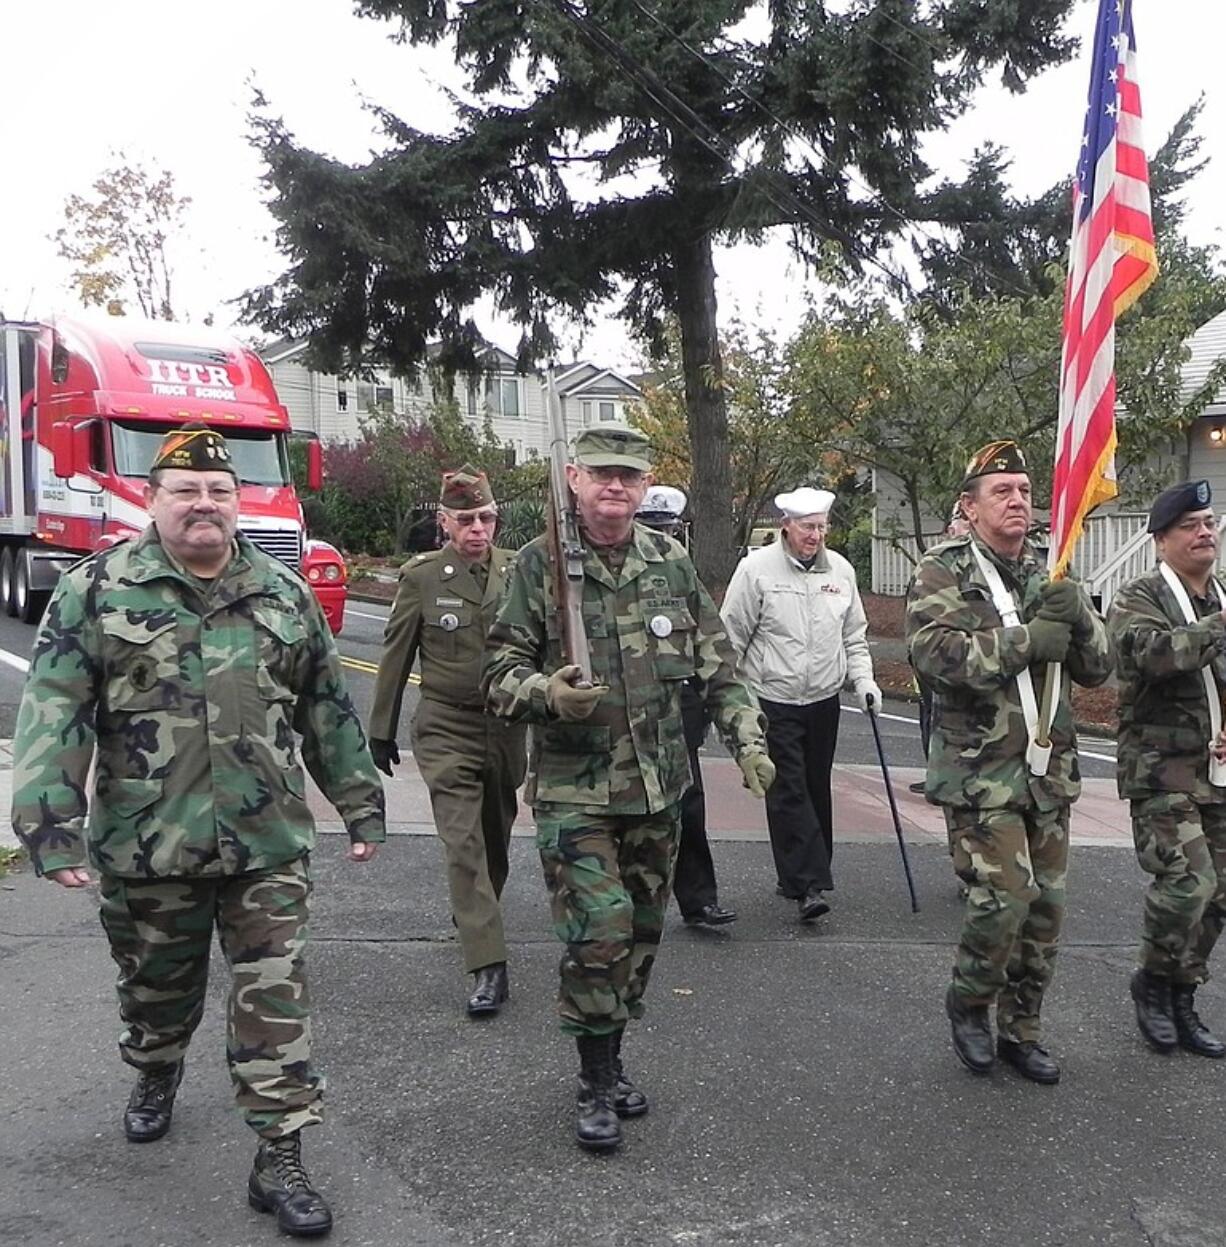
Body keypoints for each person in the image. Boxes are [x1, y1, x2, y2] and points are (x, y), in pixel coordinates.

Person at [10, 423, 384, 1239]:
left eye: (219, 491)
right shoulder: (97, 589)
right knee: (157, 988)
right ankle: (155, 1064)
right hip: (150, 844)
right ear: (153, 500)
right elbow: (55, 710)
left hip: (266, 843)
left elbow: (326, 708)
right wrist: (48, 822)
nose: (204, 504)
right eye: (186, 491)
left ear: (236, 501)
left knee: (274, 994)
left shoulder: (282, 594)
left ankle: (279, 1152)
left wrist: (360, 801)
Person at [482, 425, 772, 1153]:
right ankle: (594, 1078)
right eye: (602, 474)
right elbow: (496, 674)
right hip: (576, 792)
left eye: (630, 477)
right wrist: (546, 689)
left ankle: (610, 1051)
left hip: (657, 788)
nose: (616, 487)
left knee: (640, 932)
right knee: (601, 925)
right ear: (574, 479)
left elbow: (719, 666)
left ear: (645, 488)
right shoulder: (539, 566)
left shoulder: (669, 564)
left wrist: (748, 740)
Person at [906, 439, 1111, 1085]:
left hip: (1048, 774)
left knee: (1045, 911)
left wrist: (1079, 618)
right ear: (969, 506)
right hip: (980, 773)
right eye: (1003, 490)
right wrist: (1026, 640)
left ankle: (1022, 1028)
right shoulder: (943, 570)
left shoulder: (1053, 572)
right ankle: (969, 1002)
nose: (1019, 499)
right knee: (1004, 900)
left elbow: (1099, 667)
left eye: (1024, 489)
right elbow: (935, 657)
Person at [368, 464, 528, 1017]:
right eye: (465, 520)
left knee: (495, 838)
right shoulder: (424, 578)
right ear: (444, 523)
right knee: (462, 843)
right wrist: (380, 729)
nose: (477, 529)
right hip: (445, 726)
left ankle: (480, 915)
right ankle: (488, 963)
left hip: (506, 726)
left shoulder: (520, 571)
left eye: (485, 518)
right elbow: (395, 654)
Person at [720, 486, 880, 922]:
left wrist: (863, 680)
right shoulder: (756, 570)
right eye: (808, 527)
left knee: (814, 787)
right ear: (785, 526)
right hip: (773, 697)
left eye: (822, 527)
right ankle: (808, 885)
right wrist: (732, 699)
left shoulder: (841, 572)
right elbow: (731, 635)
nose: (815, 536)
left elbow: (854, 634)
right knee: (787, 788)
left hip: (823, 699)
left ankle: (803, 871)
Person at [1107, 480, 1226, 1059]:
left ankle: (1183, 994)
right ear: (1160, 541)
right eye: (1190, 526)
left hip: (1218, 770)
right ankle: (1152, 983)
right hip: (1161, 770)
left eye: (1209, 523)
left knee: (1220, 895)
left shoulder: (1220, 598)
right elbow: (1153, 656)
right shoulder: (1140, 596)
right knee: (1187, 883)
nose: (1205, 533)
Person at [636, 485, 736, 928]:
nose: (663, 535)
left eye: (669, 528)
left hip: (679, 708)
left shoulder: (679, 571)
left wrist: (712, 703)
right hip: (628, 712)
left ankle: (698, 899)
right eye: (653, 527)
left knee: (690, 803)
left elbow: (706, 642)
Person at [910, 503, 971, 794]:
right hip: (937, 659)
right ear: (951, 529)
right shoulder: (936, 568)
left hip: (974, 664)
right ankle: (936, 770)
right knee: (931, 714)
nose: (968, 526)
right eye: (962, 520)